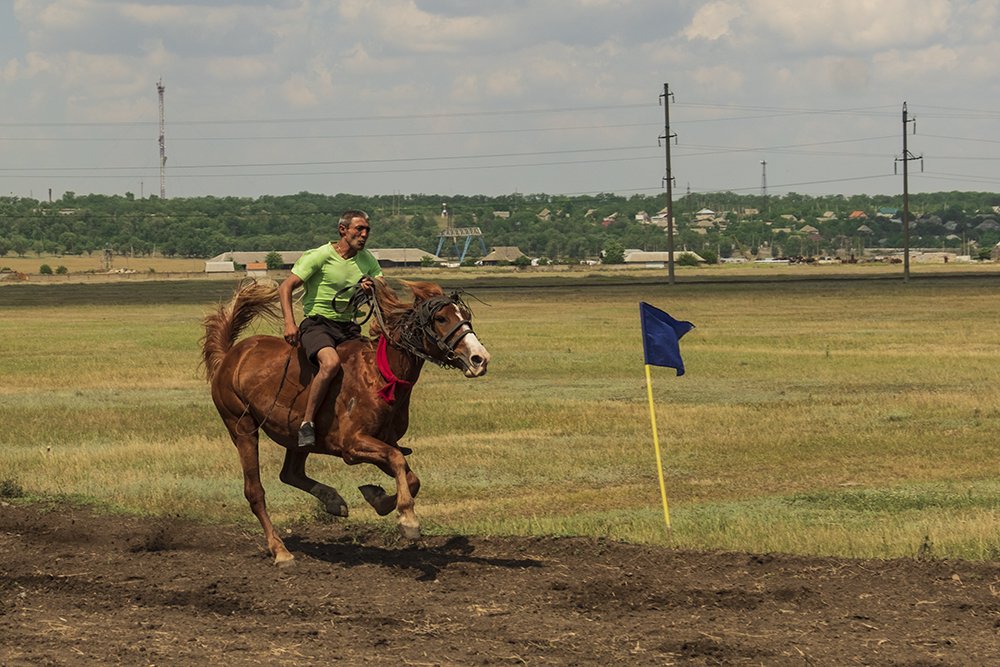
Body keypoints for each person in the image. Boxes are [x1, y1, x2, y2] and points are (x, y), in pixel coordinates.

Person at [279, 210, 383, 447]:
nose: (364, 234)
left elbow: (383, 288)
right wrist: (289, 322)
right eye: (359, 229)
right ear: (343, 230)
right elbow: (285, 287)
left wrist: (372, 287)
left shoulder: (368, 260)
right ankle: (307, 423)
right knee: (331, 363)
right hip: (318, 324)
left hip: (349, 327)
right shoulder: (320, 256)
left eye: (367, 230)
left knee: (373, 366)